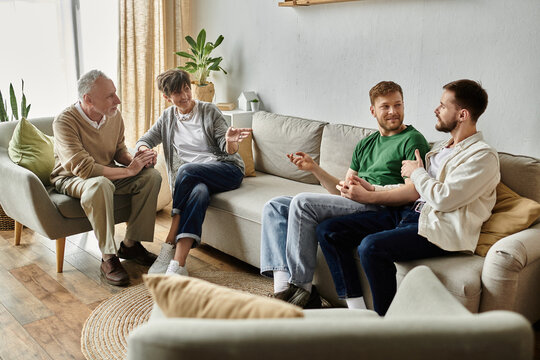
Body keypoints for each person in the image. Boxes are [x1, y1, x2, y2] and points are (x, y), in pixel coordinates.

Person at [316, 79, 500, 315]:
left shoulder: (483, 156)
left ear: (462, 114)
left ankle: (391, 329)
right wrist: (372, 189)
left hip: (438, 228)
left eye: (443, 106)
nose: (436, 109)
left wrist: (417, 172)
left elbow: (445, 198)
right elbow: (419, 191)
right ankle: (358, 312)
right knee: (328, 230)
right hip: (408, 213)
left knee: (371, 247)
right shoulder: (444, 148)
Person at [260, 81, 430, 308]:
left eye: (397, 105)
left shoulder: (412, 140)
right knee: (275, 206)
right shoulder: (365, 144)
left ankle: (301, 290)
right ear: (373, 111)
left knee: (302, 203)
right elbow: (342, 190)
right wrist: (315, 169)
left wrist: (368, 195)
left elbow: (412, 192)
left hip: (380, 206)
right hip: (354, 201)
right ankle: (282, 289)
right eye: (385, 107)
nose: (393, 112)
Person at [51, 70, 162, 286]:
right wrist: (129, 171)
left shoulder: (113, 116)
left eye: (116, 93)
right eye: (110, 96)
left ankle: (130, 246)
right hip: (71, 178)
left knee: (151, 176)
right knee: (100, 185)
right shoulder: (64, 122)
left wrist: (136, 160)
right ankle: (108, 257)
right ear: (88, 99)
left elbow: (119, 150)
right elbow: (83, 168)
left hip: (105, 172)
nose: (117, 100)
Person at [136, 69, 251, 276]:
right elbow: (145, 140)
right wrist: (146, 150)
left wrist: (232, 142)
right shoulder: (168, 117)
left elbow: (227, 147)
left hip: (226, 169)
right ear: (166, 97)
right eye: (178, 93)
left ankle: (169, 241)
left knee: (187, 170)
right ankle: (178, 264)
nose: (185, 96)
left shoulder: (209, 111)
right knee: (199, 193)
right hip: (195, 178)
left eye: (187, 89)